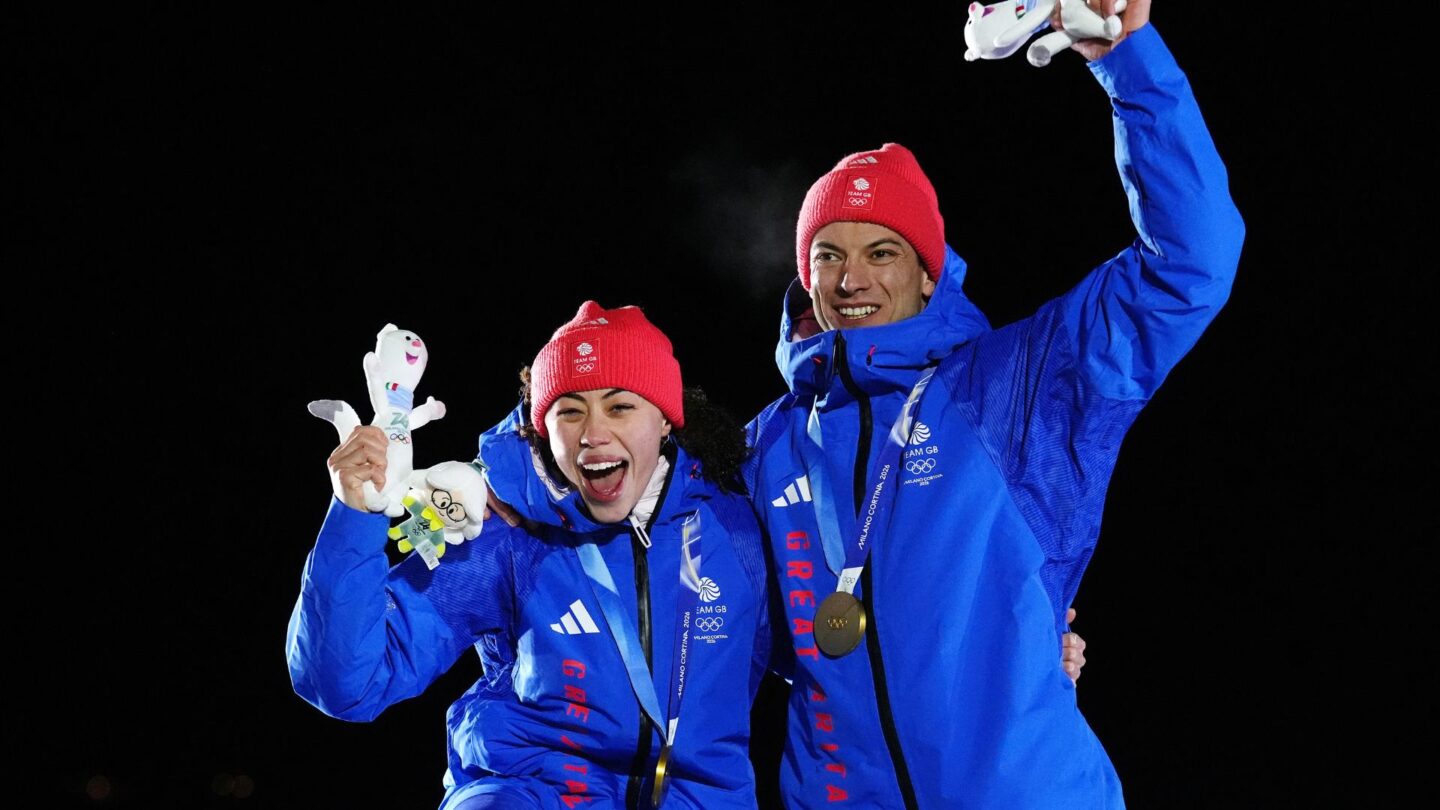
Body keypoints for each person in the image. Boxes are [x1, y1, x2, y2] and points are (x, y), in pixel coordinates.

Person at [741, 0, 1244, 806]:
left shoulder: (1015, 386)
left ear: (929, 274)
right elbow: (704, 610)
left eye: (881, 252)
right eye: (828, 256)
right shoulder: (765, 447)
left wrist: (1129, 62)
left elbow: (1189, 265)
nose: (851, 279)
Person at [288, 302, 774, 809]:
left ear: (666, 419)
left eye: (620, 406)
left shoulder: (734, 524)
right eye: (569, 410)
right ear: (545, 428)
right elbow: (348, 682)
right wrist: (355, 516)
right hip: (532, 791)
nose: (593, 434)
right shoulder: (506, 530)